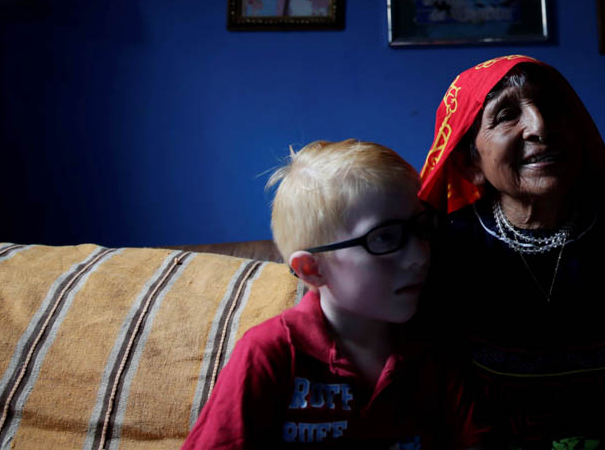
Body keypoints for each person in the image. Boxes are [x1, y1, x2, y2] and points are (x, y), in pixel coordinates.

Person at [416, 55, 605, 449]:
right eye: (505, 115)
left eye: (553, 107)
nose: (541, 126)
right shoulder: (444, 252)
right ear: (471, 163)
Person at [183, 140, 486, 449]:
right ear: (312, 269)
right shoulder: (269, 353)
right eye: (384, 237)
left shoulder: (435, 345)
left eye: (421, 228)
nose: (420, 257)